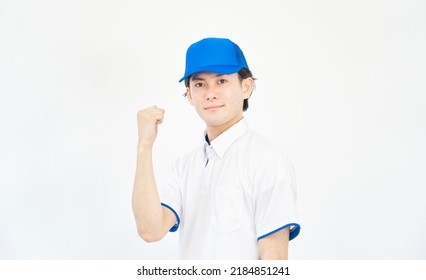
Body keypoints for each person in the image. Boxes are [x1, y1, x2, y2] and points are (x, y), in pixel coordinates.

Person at [132, 38, 300, 259]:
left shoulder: (266, 161)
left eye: (221, 81)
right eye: (200, 84)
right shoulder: (184, 167)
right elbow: (150, 230)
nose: (210, 93)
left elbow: (275, 261)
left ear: (246, 86)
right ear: (190, 95)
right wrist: (144, 146)